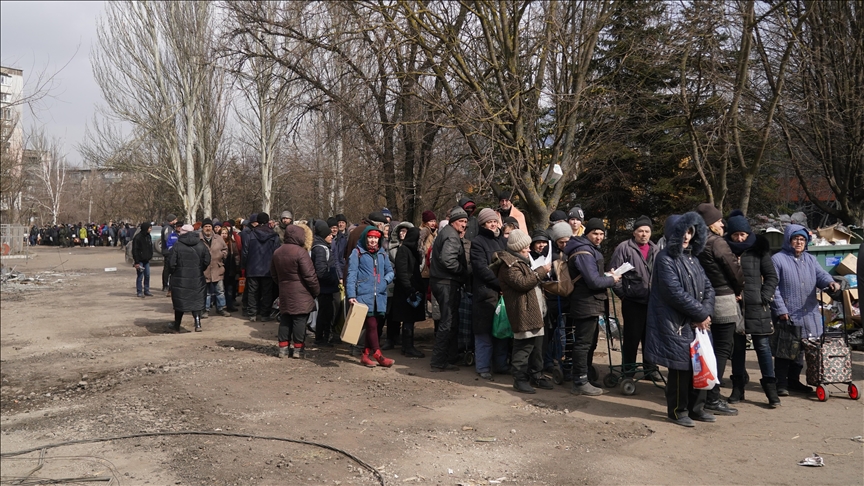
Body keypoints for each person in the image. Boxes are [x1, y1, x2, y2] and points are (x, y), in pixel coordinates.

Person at [644, 213, 716, 427]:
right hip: (676, 324)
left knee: (699, 366)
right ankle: (677, 411)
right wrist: (701, 314)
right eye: (682, 232)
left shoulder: (693, 258)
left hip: (696, 323)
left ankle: (697, 408)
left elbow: (708, 287)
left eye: (690, 231)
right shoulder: (665, 258)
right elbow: (673, 292)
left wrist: (706, 312)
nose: (686, 236)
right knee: (680, 370)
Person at [770, 224, 840, 396]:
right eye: (795, 239)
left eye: (802, 239)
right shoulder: (778, 259)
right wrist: (780, 309)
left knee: (801, 348)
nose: (799, 242)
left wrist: (830, 282)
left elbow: (821, 275)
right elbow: (773, 287)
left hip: (808, 312)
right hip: (787, 312)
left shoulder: (810, 259)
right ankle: (781, 383)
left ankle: (794, 381)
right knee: (785, 349)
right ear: (788, 240)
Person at [724, 212, 781, 407]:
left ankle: (771, 391)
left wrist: (763, 297)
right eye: (735, 235)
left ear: (748, 233)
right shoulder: (724, 251)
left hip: (758, 307)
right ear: (729, 235)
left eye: (743, 234)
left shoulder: (759, 250)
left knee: (763, 348)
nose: (739, 239)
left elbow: (772, 276)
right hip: (735, 307)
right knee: (737, 349)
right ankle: (738, 388)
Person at [695, 203, 745, 416]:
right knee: (722, 351)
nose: (722, 223)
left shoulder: (696, 243)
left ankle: (702, 395)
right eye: (718, 221)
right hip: (723, 297)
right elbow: (733, 269)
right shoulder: (717, 243)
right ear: (709, 223)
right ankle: (713, 398)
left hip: (703, 299)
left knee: (707, 348)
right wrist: (739, 288)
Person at [564, 217, 620, 396]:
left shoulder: (590, 250)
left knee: (590, 342)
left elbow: (593, 275)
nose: (599, 237)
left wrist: (606, 275)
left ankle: (585, 375)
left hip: (591, 302)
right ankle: (579, 381)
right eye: (595, 233)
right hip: (585, 302)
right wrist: (611, 279)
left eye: (602, 234)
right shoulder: (583, 252)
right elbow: (593, 281)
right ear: (586, 233)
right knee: (583, 343)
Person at [493, 229, 554, 393]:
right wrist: (541, 271)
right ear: (517, 248)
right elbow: (522, 283)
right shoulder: (509, 265)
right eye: (525, 247)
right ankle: (519, 379)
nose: (528, 249)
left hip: (533, 311)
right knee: (523, 347)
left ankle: (536, 375)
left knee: (537, 347)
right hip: (523, 312)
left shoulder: (522, 261)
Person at [609, 215, 660, 378]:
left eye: (647, 231)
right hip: (632, 301)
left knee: (650, 337)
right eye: (640, 231)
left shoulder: (656, 249)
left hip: (652, 302)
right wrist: (623, 295)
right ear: (634, 233)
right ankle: (628, 371)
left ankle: (650, 370)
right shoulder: (624, 248)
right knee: (632, 338)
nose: (644, 234)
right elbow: (614, 274)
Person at [346, 226, 396, 367]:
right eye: (370, 237)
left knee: (374, 326)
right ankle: (378, 354)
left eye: (376, 238)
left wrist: (385, 281)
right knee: (372, 324)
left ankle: (365, 355)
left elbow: (390, 271)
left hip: (379, 296)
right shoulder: (357, 253)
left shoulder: (382, 254)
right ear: (365, 238)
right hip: (363, 296)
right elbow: (352, 275)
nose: (373, 240)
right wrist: (351, 295)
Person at [429, 206, 470, 371]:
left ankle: (450, 357)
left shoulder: (445, 233)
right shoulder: (452, 237)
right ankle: (438, 361)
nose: (464, 225)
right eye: (461, 221)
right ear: (453, 222)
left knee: (450, 320)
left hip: (440, 281)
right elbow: (448, 260)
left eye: (466, 222)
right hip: (447, 283)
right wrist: (462, 271)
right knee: (448, 321)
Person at [470, 208, 509, 379]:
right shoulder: (478, 242)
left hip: (502, 293)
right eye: (489, 222)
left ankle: (501, 365)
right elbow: (480, 269)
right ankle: (483, 367)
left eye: (494, 221)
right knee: (484, 333)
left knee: (501, 331)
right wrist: (499, 283)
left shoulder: (502, 241)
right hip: (485, 293)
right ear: (482, 224)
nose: (493, 224)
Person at [271, 225, 320, 358]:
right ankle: (298, 349)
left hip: (284, 291)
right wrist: (316, 290)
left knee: (285, 319)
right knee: (299, 320)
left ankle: (283, 348)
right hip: (301, 292)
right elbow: (310, 276)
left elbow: (274, 274)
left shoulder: (277, 252)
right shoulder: (300, 252)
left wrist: (282, 284)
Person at [167, 224, 210, 332]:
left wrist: (175, 272)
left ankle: (177, 325)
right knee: (196, 301)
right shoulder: (201, 245)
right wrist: (200, 269)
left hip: (180, 279)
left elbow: (171, 263)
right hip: (197, 278)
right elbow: (207, 260)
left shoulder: (177, 246)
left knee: (180, 302)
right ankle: (198, 323)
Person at [391, 227, 427, 358]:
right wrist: (409, 288)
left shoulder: (413, 251)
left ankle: (408, 346)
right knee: (407, 320)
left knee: (410, 320)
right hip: (406, 291)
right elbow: (401, 272)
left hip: (412, 289)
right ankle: (408, 347)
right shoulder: (403, 250)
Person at [243, 212, 281, 322]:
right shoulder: (274, 236)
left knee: (252, 291)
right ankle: (265, 314)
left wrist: (244, 265)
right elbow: (276, 253)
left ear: (258, 221)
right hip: (268, 268)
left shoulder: (250, 234)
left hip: (252, 267)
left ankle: (252, 314)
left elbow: (245, 252)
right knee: (267, 292)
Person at [311, 219, 339, 347]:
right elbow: (321, 271)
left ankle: (323, 337)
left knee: (326, 313)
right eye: (329, 235)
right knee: (325, 314)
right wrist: (334, 279)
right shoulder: (321, 249)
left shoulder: (322, 247)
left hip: (326, 287)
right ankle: (321, 338)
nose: (331, 236)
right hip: (325, 288)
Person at [200, 218, 230, 318]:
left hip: (218, 268)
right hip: (205, 270)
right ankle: (206, 309)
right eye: (206, 227)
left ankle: (221, 308)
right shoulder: (198, 239)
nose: (208, 228)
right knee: (206, 292)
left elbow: (225, 249)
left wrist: (222, 255)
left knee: (220, 291)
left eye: (209, 226)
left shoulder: (218, 238)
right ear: (202, 228)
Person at [132, 222, 154, 298]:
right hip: (140, 260)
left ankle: (146, 290)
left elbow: (150, 247)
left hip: (146, 260)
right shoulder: (137, 238)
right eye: (149, 228)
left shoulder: (148, 236)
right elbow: (135, 250)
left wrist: (150, 255)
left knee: (147, 275)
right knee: (140, 276)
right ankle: (139, 291)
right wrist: (136, 262)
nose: (150, 229)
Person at [161, 214, 178, 292]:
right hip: (168, 251)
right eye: (175, 220)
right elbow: (167, 239)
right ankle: (165, 285)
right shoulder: (167, 228)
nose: (176, 221)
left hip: (170, 251)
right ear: (172, 220)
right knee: (167, 269)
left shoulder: (170, 228)